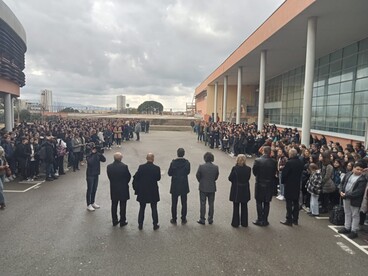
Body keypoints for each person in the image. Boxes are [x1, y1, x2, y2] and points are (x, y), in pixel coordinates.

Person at [338, 162, 367, 239]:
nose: (359, 171)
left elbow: (358, 192)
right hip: (345, 197)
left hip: (355, 200)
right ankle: (347, 227)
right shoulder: (348, 174)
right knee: (347, 212)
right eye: (357, 169)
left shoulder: (362, 179)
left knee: (355, 215)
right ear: (353, 168)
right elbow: (342, 183)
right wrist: (341, 191)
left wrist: (346, 195)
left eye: (361, 170)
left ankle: (354, 230)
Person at [133, 153, 161, 230]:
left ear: (146, 158)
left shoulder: (141, 167)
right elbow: (158, 178)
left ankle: (140, 224)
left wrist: (136, 188)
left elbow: (136, 177)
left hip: (143, 190)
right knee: (154, 208)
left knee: (142, 208)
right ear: (153, 159)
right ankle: (155, 224)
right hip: (153, 190)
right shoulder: (156, 168)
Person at [252, 146, 277, 226]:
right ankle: (265, 220)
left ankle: (259, 219)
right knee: (267, 202)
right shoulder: (274, 161)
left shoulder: (258, 160)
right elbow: (274, 172)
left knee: (259, 202)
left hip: (259, 183)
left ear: (263, 151)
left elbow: (254, 172)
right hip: (269, 183)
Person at [280, 148, 304, 226]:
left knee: (289, 203)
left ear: (290, 154)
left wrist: (283, 181)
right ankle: (295, 219)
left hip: (289, 184)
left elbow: (284, 174)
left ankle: (289, 219)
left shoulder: (289, 163)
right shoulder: (300, 162)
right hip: (297, 184)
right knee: (296, 202)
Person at [106, 152, 131, 227]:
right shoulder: (124, 166)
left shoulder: (109, 167)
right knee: (123, 205)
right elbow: (128, 177)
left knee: (114, 204)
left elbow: (109, 176)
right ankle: (122, 220)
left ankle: (114, 220)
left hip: (114, 187)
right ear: (120, 158)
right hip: (123, 187)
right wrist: (125, 182)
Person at [168, 148, 190, 224]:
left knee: (174, 203)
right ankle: (183, 218)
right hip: (184, 183)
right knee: (184, 202)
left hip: (175, 183)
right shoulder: (187, 163)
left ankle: (174, 218)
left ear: (177, 153)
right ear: (183, 154)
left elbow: (169, 173)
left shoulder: (173, 163)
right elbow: (188, 172)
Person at [196, 152, 219, 225]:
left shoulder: (201, 166)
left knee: (203, 203)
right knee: (211, 204)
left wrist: (201, 181)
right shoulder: (215, 167)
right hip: (212, 187)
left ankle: (202, 219)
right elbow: (216, 177)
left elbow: (198, 175)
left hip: (203, 186)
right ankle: (210, 219)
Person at [228, 154, 251, 227]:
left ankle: (235, 222)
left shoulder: (235, 168)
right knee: (244, 206)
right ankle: (244, 222)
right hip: (245, 188)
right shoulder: (248, 169)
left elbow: (230, 178)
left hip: (236, 188)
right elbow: (248, 178)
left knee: (236, 206)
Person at [86, 144, 106, 211]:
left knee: (94, 189)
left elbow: (104, 160)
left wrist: (99, 153)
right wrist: (93, 154)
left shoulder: (98, 154)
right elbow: (90, 162)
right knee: (90, 189)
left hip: (96, 173)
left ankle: (92, 202)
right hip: (90, 174)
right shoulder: (89, 155)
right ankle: (88, 204)